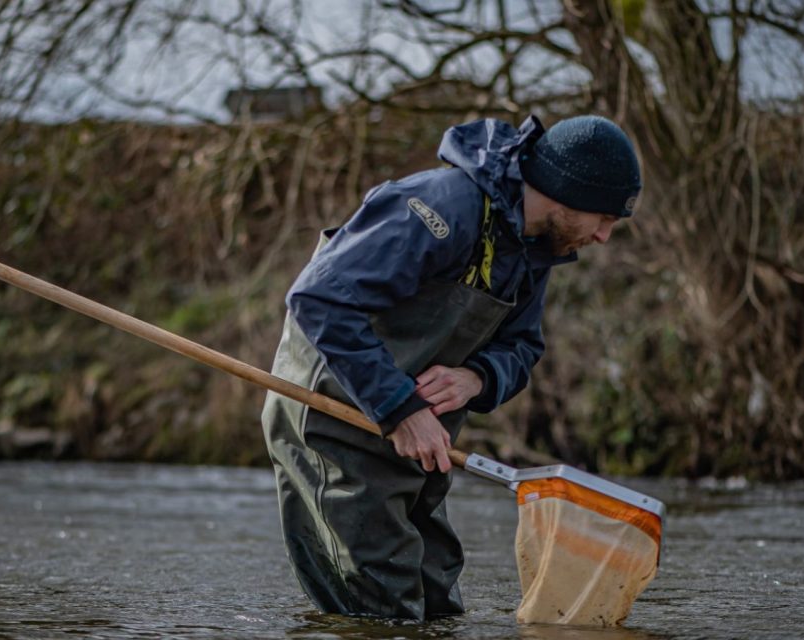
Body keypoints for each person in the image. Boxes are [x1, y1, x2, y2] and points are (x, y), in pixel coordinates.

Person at [261, 114, 642, 619]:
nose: (603, 237)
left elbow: (523, 347)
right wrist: (399, 408)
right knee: (380, 612)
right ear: (565, 194)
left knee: (439, 608)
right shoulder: (441, 205)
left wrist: (477, 377)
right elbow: (318, 298)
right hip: (333, 428)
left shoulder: (537, 251)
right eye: (604, 218)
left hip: (422, 450)